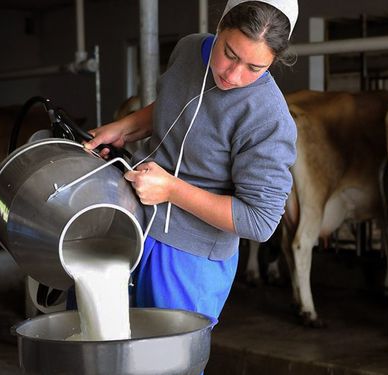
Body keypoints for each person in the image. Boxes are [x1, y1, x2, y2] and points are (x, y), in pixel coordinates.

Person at [84, 0, 299, 325]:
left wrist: (172, 190)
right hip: (134, 224)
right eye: (229, 53)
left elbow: (260, 221)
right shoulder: (188, 49)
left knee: (166, 363)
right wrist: (126, 127)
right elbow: (179, 105)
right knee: (106, 345)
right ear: (219, 27)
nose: (233, 75)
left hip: (189, 259)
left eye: (254, 68)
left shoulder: (268, 118)